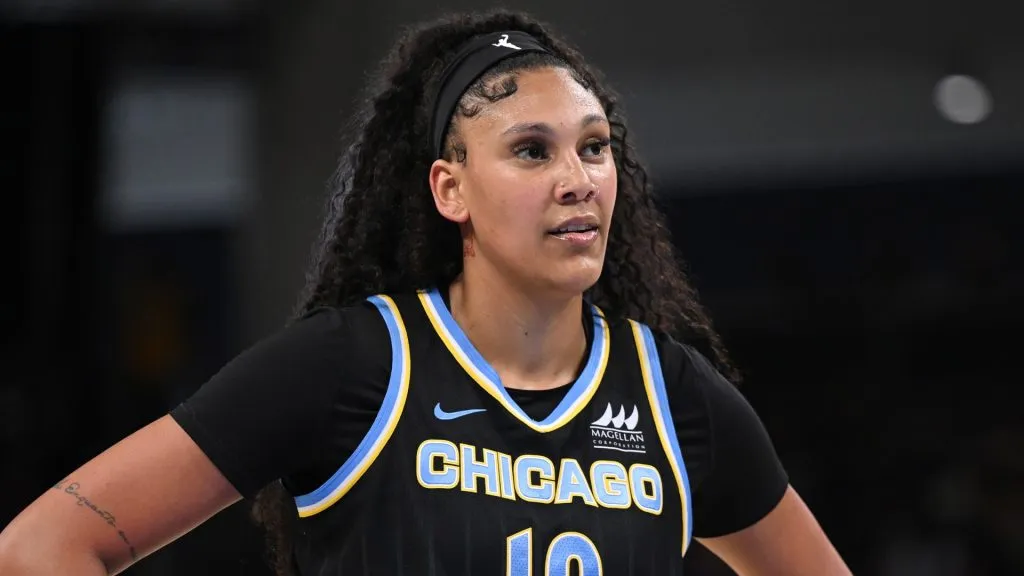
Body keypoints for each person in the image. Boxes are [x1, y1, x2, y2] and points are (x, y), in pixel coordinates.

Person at [0, 9, 851, 576]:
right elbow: (45, 545)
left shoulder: (674, 399)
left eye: (594, 149)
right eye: (531, 151)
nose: (578, 179)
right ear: (451, 190)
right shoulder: (352, 367)